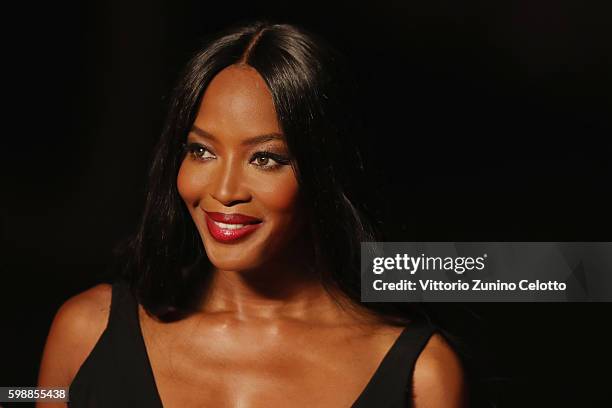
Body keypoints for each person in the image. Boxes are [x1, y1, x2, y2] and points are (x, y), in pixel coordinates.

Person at [37, 21, 466, 407]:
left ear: (324, 172)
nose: (223, 191)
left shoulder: (421, 377)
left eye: (265, 159)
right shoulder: (85, 332)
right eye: (201, 151)